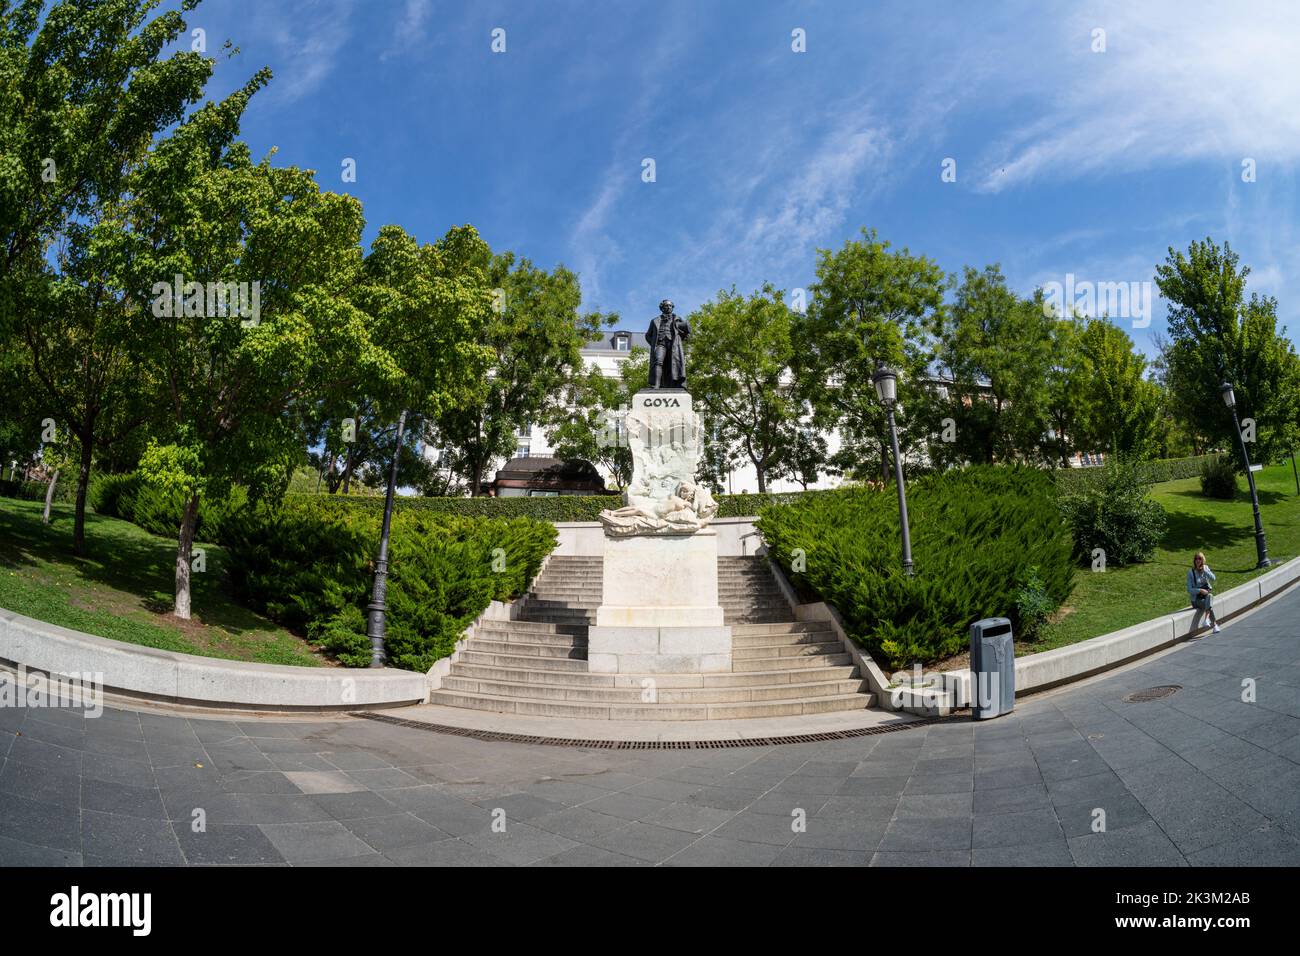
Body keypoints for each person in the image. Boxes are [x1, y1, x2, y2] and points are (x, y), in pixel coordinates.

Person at [1187, 551, 1221, 634]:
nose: (1198, 560)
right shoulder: (1191, 572)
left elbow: (1213, 578)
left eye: (1200, 558)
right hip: (1196, 600)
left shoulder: (1206, 568)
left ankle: (1206, 619)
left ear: (1203, 560)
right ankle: (1214, 625)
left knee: (1209, 597)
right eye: (1196, 559)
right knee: (1209, 604)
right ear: (1194, 561)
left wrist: (1205, 571)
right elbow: (1189, 589)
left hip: (1206, 596)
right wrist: (1200, 590)